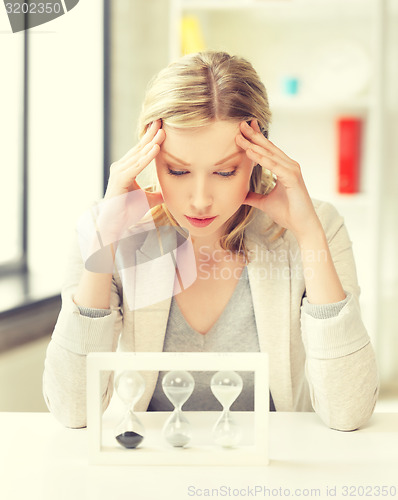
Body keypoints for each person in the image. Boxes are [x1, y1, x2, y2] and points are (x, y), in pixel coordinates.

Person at [42, 50, 379, 431]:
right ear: (147, 155)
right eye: (179, 170)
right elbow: (72, 409)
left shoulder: (316, 227)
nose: (200, 199)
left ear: (259, 156)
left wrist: (309, 234)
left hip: (277, 471)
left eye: (224, 171)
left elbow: (347, 412)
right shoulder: (107, 226)